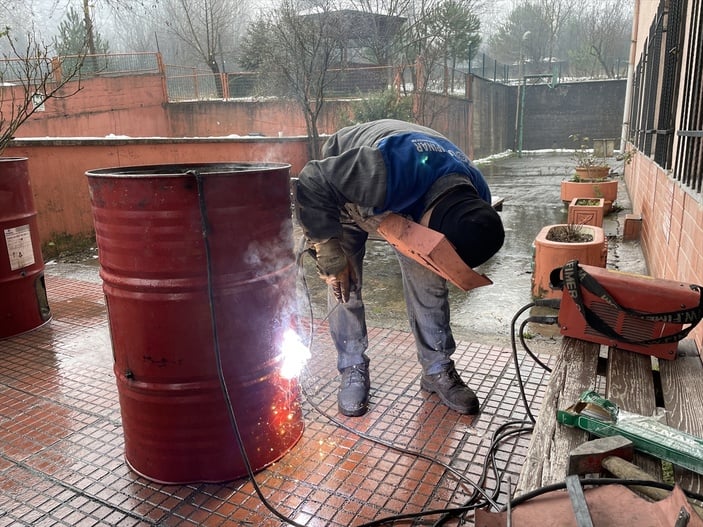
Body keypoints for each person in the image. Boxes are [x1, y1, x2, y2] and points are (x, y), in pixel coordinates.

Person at [295, 119, 504, 417]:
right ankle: (352, 366)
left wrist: (438, 260)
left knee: (430, 279)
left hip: (411, 193)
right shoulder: (384, 169)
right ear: (433, 224)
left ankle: (437, 368)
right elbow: (313, 179)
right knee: (345, 282)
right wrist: (330, 255)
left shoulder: (476, 196)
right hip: (343, 192)